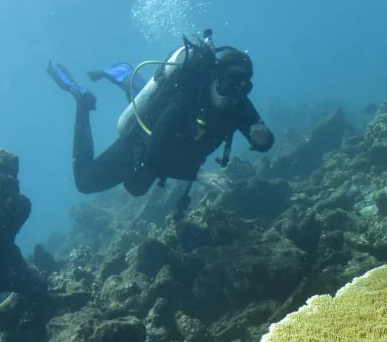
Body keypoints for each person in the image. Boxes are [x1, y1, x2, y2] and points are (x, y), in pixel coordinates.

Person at [47, 31, 274, 215]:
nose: (231, 97)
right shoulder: (187, 96)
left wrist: (264, 140)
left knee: (138, 188)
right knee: (87, 183)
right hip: (143, 142)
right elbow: (154, 152)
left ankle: (127, 78)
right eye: (227, 87)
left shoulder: (238, 103)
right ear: (215, 79)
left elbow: (264, 141)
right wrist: (197, 174)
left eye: (242, 89)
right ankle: (81, 100)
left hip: (175, 148)